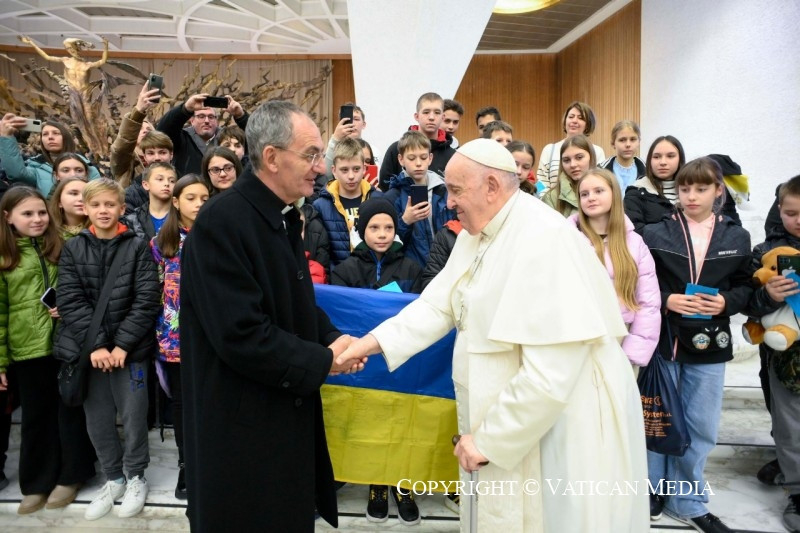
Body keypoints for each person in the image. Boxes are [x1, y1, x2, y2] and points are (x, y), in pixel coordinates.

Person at [336, 138, 649, 532]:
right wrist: (367, 345)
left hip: (561, 424)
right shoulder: (478, 231)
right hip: (514, 416)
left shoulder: (545, 238)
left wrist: (490, 441)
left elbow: (552, 371)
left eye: (455, 190)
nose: (448, 202)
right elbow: (438, 305)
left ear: (491, 186)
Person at [179, 99, 361, 532]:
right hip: (242, 428)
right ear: (272, 157)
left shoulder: (279, 216)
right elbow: (241, 334)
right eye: (311, 154)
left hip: (277, 414)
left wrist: (330, 336)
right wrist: (323, 361)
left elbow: (289, 299)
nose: (321, 166)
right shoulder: (223, 222)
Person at [643, 157, 753, 533]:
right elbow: (637, 282)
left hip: (710, 342)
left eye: (701, 188)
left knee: (702, 424)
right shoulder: (655, 233)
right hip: (666, 339)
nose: (691, 196)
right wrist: (666, 299)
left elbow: (745, 285)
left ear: (718, 191)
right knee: (659, 419)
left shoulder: (736, 237)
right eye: (685, 188)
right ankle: (654, 489)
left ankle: (687, 499)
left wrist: (726, 302)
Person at [54, 178, 161, 521]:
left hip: (130, 352)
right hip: (91, 352)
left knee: (133, 415)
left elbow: (146, 299)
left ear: (121, 208)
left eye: (110, 204)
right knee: (97, 418)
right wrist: (99, 346)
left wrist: (122, 345)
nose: (103, 211)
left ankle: (136, 476)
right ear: (85, 208)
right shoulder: (74, 248)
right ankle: (113, 477)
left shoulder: (137, 247)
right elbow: (71, 300)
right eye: (96, 205)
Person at [0, 187, 95, 514]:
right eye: (27, 214)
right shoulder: (5, 257)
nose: (37, 219)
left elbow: (84, 287)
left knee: (69, 411)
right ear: (8, 217)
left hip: (66, 345)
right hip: (27, 349)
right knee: (36, 417)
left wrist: (67, 306)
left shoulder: (63, 245)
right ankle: (37, 483)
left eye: (41, 212)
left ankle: (72, 475)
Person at [150, 174, 210, 500]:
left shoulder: (218, 237)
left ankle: (211, 462)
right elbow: (151, 291)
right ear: (175, 202)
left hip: (212, 336)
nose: (198, 204)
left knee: (211, 402)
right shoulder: (161, 244)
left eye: (204, 198)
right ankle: (187, 464)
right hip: (175, 338)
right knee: (182, 404)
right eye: (190, 198)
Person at [746, 175, 800, 532]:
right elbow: (746, 302)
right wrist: (769, 296)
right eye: (791, 213)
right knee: (789, 425)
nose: (798, 220)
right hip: (785, 357)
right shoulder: (764, 252)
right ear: (779, 210)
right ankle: (797, 490)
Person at [568, 168, 660, 372]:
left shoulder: (634, 243)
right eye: (584, 194)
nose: (591, 198)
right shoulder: (567, 239)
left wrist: (633, 353)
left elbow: (648, 303)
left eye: (598, 191)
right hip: (577, 338)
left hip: (621, 337)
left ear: (614, 194)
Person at [383, 131, 454, 268]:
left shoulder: (443, 191)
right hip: (410, 270)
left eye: (423, 157)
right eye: (411, 158)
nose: (418, 163)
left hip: (444, 267)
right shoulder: (393, 197)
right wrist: (405, 221)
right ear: (401, 159)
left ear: (430, 158)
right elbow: (387, 245)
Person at [313, 137, 381, 267]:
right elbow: (322, 252)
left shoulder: (378, 200)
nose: (351, 176)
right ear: (334, 171)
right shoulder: (321, 206)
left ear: (364, 169)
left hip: (372, 273)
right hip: (338, 275)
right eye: (344, 170)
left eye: (356, 169)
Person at [331, 198, 423, 295]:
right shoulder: (344, 272)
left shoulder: (412, 270)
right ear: (362, 231)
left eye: (389, 227)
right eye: (374, 227)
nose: (382, 235)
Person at [0, 116, 101, 197]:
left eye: (56, 133)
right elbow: (17, 173)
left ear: (66, 137)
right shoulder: (37, 167)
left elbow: (98, 196)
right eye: (45, 134)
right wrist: (6, 137)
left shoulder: (87, 167)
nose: (50, 137)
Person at [156, 93, 249, 176]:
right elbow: (162, 132)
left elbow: (254, 138)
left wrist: (241, 116)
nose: (207, 121)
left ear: (217, 121)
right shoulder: (181, 138)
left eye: (211, 117)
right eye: (201, 116)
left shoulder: (227, 139)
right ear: (192, 120)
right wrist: (185, 109)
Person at [378, 92, 456, 191]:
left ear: (443, 117)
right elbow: (385, 186)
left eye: (437, 112)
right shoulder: (396, 149)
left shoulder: (453, 156)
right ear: (416, 116)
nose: (431, 117)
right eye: (426, 112)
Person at [536, 101, 605, 188]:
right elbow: (540, 183)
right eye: (571, 117)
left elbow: (600, 181)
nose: (574, 121)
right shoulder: (549, 149)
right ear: (565, 121)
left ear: (588, 124)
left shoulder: (597, 151)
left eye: (580, 118)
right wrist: (545, 196)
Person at [110, 81, 159, 188]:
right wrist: (138, 112)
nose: (145, 131)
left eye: (149, 129)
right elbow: (121, 148)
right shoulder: (124, 162)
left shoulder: (163, 159)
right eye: (139, 129)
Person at [542, 134, 596, 217]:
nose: (573, 165)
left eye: (579, 157)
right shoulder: (551, 198)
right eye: (566, 160)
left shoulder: (608, 189)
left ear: (591, 157)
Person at [123, 162, 177, 241]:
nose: (167, 184)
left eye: (172, 181)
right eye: (160, 179)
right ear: (146, 185)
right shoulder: (134, 219)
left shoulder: (183, 215)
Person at [125, 130, 174, 215]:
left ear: (171, 154)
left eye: (162, 152)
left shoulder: (186, 185)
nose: (157, 158)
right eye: (151, 153)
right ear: (145, 157)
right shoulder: (132, 194)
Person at [324, 102, 368, 180]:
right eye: (348, 119)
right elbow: (326, 175)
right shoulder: (333, 148)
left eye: (356, 119)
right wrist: (335, 138)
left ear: (363, 124)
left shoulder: (372, 150)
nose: (352, 123)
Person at [599, 120, 645, 191]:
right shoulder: (601, 170)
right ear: (613, 144)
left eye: (632, 139)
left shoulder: (647, 171)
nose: (628, 144)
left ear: (639, 142)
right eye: (622, 140)